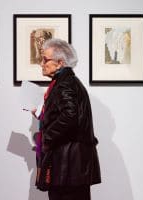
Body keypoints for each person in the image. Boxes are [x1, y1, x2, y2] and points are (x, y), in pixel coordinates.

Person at [31, 38, 101, 200]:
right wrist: (42, 115)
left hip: (69, 166)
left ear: (60, 63)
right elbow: (67, 113)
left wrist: (47, 138)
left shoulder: (65, 84)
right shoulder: (67, 82)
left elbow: (70, 116)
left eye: (45, 59)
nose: (41, 63)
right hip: (72, 164)